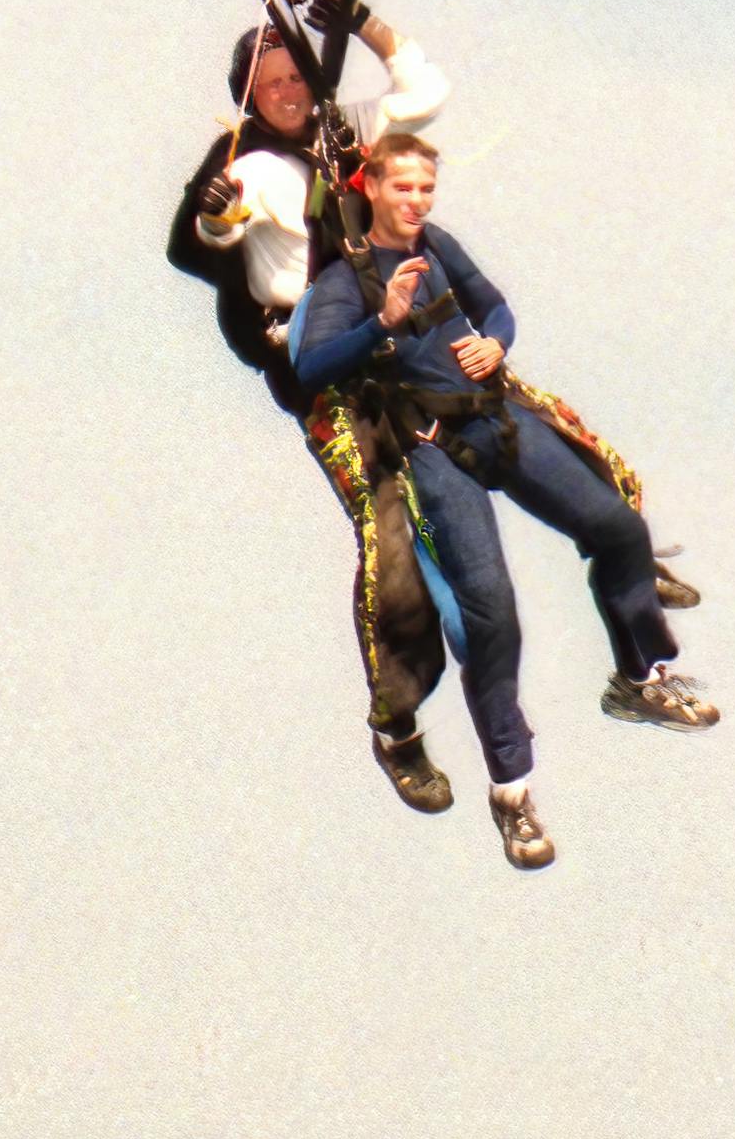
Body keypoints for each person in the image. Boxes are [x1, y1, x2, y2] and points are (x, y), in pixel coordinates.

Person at [287, 132, 712, 870]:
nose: (416, 202)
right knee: (492, 614)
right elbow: (309, 372)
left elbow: (496, 308)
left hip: (496, 419)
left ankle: (640, 676)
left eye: (425, 189)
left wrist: (497, 346)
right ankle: (513, 792)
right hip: (432, 449)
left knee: (617, 527)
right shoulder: (342, 285)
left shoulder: (440, 245)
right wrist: (381, 322)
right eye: (403, 189)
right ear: (372, 190)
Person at [166, 11, 459, 806]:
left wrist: (369, 26)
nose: (290, 93)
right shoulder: (251, 165)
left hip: (406, 348)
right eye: (273, 85)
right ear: (251, 98)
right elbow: (201, 236)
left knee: (515, 422)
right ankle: (398, 723)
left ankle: (624, 552)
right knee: (389, 524)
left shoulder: (349, 129)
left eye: (298, 77)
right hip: (331, 372)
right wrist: (216, 206)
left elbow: (423, 95)